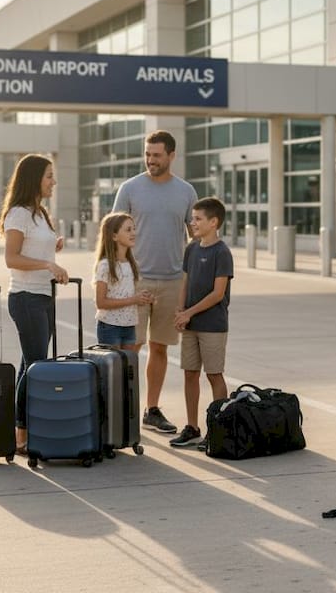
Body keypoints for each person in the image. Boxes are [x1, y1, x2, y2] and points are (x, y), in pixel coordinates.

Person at [112, 130, 198, 435]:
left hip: (173, 281)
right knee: (131, 348)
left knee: (160, 348)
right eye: (148, 154)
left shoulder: (186, 192)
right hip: (136, 281)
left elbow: (195, 236)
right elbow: (113, 234)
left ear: (172, 156)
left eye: (157, 155)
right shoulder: (130, 188)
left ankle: (151, 409)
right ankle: (123, 410)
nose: (151, 160)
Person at [0, 153, 69, 456]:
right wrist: (48, 264)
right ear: (34, 179)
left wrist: (52, 248)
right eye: (49, 176)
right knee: (38, 366)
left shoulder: (39, 212)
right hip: (26, 297)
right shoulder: (18, 214)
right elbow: (11, 258)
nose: (54, 182)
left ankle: (21, 431)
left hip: (43, 296)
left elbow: (31, 249)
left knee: (31, 364)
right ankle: (24, 434)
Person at [169, 196, 234, 448]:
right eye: (192, 218)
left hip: (213, 326)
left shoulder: (222, 253)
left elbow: (218, 294)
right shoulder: (192, 249)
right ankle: (192, 427)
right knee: (190, 374)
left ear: (213, 222)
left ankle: (217, 430)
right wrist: (180, 310)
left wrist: (189, 313)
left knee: (214, 375)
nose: (193, 223)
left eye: (198, 219)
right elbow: (185, 282)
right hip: (191, 324)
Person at [92, 212, 153, 352]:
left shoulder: (132, 264)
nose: (133, 233)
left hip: (130, 326)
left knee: (127, 371)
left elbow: (128, 294)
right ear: (114, 236)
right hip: (109, 327)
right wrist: (133, 300)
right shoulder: (105, 265)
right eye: (128, 230)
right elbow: (101, 303)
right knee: (113, 371)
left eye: (134, 229)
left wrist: (143, 298)